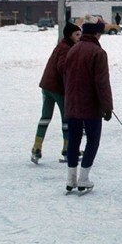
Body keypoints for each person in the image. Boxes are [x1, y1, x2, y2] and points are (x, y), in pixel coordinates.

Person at [62, 18, 114, 194]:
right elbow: (102, 83)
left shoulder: (73, 49)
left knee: (73, 140)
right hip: (90, 104)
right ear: (97, 33)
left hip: (71, 102)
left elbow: (65, 75)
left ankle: (70, 178)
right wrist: (107, 106)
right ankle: (83, 178)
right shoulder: (98, 53)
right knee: (92, 139)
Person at [32, 23, 81, 164]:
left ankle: (36, 147)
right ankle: (68, 150)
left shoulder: (62, 46)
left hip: (47, 86)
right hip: (58, 89)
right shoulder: (66, 49)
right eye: (76, 35)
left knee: (45, 117)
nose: (79, 37)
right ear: (69, 36)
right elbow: (63, 67)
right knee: (67, 119)